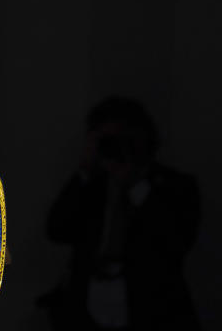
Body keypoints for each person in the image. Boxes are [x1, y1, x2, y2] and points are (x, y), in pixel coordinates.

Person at [39, 97, 200, 331]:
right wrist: (85, 170)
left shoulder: (175, 187)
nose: (116, 149)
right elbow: (57, 229)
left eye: (123, 139)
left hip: (154, 314)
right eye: (107, 140)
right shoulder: (93, 187)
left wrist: (134, 184)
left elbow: (175, 240)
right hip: (87, 312)